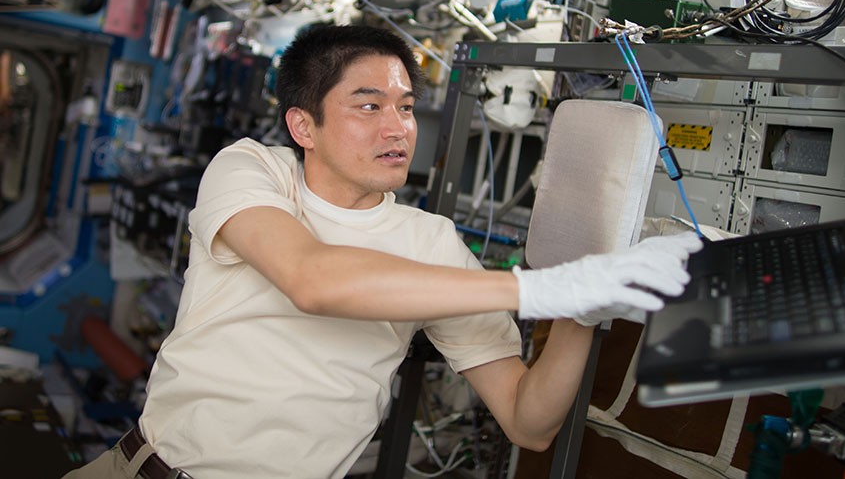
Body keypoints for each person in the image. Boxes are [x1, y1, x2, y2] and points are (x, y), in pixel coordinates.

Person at [64, 24, 702, 479]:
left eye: (405, 107)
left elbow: (528, 422)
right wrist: (539, 288)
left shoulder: (432, 244)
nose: (398, 128)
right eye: (368, 106)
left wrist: (584, 308)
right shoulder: (254, 170)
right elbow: (312, 279)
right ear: (303, 126)